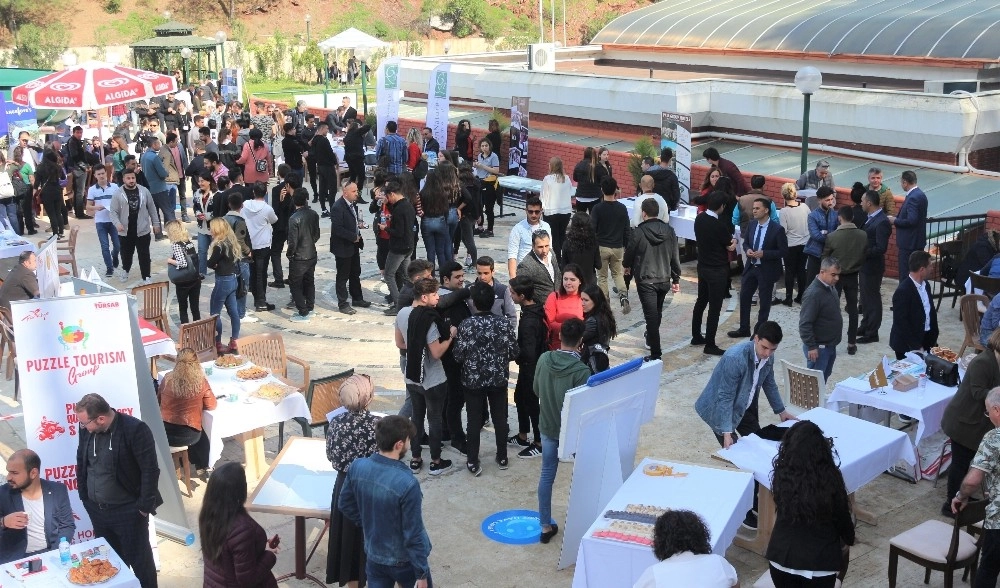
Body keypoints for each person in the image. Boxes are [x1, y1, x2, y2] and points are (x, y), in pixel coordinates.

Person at [694, 321, 795, 529]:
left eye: (772, 349)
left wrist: (781, 411)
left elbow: (769, 382)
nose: (768, 353)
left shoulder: (769, 355)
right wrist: (726, 431)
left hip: (744, 407)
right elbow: (724, 397)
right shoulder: (734, 358)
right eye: (764, 347)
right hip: (720, 411)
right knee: (742, 462)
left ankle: (758, 501)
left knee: (758, 453)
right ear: (755, 339)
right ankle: (744, 511)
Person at [75, 393, 161, 588]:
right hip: (98, 511)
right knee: (108, 566)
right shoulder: (86, 430)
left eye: (85, 423)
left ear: (101, 419)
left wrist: (143, 508)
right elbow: (82, 461)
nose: (82, 427)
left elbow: (150, 470)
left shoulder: (135, 429)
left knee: (141, 564)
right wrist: (84, 497)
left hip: (129, 512)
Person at [339, 415, 433, 588]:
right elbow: (414, 533)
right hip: (404, 561)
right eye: (408, 441)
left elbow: (344, 503)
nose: (409, 444)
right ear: (399, 445)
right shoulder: (407, 483)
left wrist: (369, 523)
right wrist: (421, 573)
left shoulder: (357, 466)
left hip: (374, 555)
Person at [767, 421, 854, 587]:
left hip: (780, 560)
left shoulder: (781, 475)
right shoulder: (830, 478)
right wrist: (849, 538)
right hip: (819, 567)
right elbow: (842, 517)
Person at [535, 319, 592, 544]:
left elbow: (536, 389)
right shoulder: (581, 371)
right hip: (573, 433)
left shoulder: (545, 359)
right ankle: (582, 523)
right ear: (580, 342)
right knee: (582, 476)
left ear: (560, 337)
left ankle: (545, 524)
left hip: (548, 426)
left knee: (547, 474)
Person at [453, 281, 518, 476]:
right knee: (500, 418)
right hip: (498, 379)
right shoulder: (503, 324)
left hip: (473, 381)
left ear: (473, 302)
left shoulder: (466, 325)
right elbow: (514, 351)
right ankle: (502, 456)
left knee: (473, 421)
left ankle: (472, 460)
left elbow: (458, 356)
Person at [395, 277, 456, 475]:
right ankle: (436, 461)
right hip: (433, 378)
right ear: (424, 297)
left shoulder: (403, 313)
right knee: (435, 419)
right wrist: (450, 337)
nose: (438, 298)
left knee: (417, 418)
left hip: (412, 377)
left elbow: (400, 344)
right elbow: (436, 352)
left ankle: (415, 458)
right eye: (435, 294)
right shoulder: (428, 320)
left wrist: (415, 347)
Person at [326, 374, 380, 588]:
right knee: (370, 538)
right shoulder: (377, 425)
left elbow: (331, 456)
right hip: (369, 488)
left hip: (344, 486)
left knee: (348, 539)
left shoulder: (336, 423)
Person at [941, 330, 1000, 519]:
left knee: (969, 462)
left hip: (978, 422)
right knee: (960, 463)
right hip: (964, 422)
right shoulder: (983, 362)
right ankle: (951, 505)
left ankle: (963, 498)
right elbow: (977, 392)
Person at [951, 386, 1000, 588]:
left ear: (997, 410)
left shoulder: (994, 438)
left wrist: (961, 496)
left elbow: (973, 480)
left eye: (988, 412)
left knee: (988, 569)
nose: (989, 417)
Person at [200, 463, 278, 588]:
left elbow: (227, 554)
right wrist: (269, 554)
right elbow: (248, 581)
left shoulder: (208, 516)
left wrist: (256, 545)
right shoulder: (242, 529)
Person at [625, 197, 682, 361]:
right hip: (664, 278)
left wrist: (626, 265)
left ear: (643, 213)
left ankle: (656, 353)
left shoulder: (638, 232)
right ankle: (651, 338)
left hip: (646, 279)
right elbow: (674, 257)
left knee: (651, 316)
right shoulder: (670, 231)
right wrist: (676, 279)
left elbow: (630, 252)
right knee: (656, 313)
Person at [0, 449, 75, 564]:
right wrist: (4, 522)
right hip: (16, 558)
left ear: (33, 473)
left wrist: (55, 553)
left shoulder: (57, 490)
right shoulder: (3, 494)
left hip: (50, 553)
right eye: (8, 472)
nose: (9, 477)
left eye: (14, 473)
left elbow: (67, 526)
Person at [728, 198, 788, 339]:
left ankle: (760, 331)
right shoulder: (752, 224)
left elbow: (783, 251)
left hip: (766, 269)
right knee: (744, 297)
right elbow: (746, 243)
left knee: (764, 301)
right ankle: (744, 328)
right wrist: (748, 250)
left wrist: (764, 254)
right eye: (753, 208)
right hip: (751, 266)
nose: (753, 211)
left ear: (766, 210)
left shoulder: (777, 229)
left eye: (757, 208)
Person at [633, 510, 738, 588]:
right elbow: (735, 584)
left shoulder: (654, 574)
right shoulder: (718, 562)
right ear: (701, 536)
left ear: (661, 542)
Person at [692, 192, 737, 355]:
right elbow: (729, 244)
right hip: (717, 270)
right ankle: (710, 344)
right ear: (722, 207)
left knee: (701, 301)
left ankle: (696, 335)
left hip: (703, 267)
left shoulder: (699, 218)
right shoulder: (719, 225)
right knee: (714, 308)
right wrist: (734, 242)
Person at [158, 348, 217, 472]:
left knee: (191, 431)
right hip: (188, 435)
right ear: (196, 363)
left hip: (164, 433)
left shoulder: (167, 378)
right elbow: (212, 405)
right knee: (201, 434)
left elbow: (159, 401)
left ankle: (191, 463)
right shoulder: (200, 382)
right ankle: (204, 467)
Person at [508, 275, 546, 459]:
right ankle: (523, 435)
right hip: (529, 366)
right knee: (519, 397)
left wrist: (513, 352)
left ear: (522, 296)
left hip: (531, 367)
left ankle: (539, 442)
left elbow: (528, 352)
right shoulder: (533, 309)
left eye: (513, 293)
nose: (510, 295)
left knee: (531, 403)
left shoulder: (530, 321)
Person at [822, 207, 866, 355]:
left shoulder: (832, 237)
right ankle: (851, 342)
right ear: (852, 217)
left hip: (836, 277)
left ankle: (831, 340)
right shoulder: (862, 235)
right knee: (853, 309)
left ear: (839, 218)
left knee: (833, 309)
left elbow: (825, 259)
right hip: (853, 275)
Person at [108, 168, 161, 285]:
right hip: (125, 230)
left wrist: (156, 224)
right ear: (123, 179)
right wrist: (117, 224)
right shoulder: (118, 194)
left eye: (133, 178)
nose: (131, 180)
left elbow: (152, 209)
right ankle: (125, 270)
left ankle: (146, 276)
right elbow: (113, 212)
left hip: (142, 229)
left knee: (144, 255)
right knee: (126, 254)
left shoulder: (144, 191)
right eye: (128, 178)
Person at [799, 257, 843, 382]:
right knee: (813, 384)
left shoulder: (830, 287)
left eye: (838, 275)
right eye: (833, 275)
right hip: (818, 349)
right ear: (822, 272)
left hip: (829, 346)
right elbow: (805, 324)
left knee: (822, 380)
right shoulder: (813, 294)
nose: (837, 279)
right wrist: (812, 346)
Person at [590, 177, 631, 312]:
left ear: (602, 190)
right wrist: (626, 246)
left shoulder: (597, 208)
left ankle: (605, 302)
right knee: (617, 274)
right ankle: (623, 296)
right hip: (618, 247)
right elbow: (627, 230)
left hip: (602, 247)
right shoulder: (622, 208)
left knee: (602, 277)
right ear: (616, 190)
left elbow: (592, 229)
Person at [331, 181, 371, 315]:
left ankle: (357, 298)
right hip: (343, 247)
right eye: (354, 191)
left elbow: (352, 221)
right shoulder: (337, 207)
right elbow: (337, 229)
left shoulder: (353, 204)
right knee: (343, 276)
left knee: (355, 273)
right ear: (345, 192)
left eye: (357, 191)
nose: (357, 194)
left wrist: (359, 227)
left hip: (353, 246)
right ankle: (343, 304)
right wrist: (353, 236)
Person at [889, 250, 939, 360]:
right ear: (922, 269)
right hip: (907, 345)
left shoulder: (927, 286)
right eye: (930, 266)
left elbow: (930, 312)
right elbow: (901, 322)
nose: (932, 268)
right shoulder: (903, 291)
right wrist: (916, 347)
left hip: (925, 340)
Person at [858, 190, 891, 344]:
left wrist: (863, 253)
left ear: (869, 203)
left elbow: (881, 248)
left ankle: (872, 332)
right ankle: (865, 325)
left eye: (863, 201)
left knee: (872, 299)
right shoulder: (871, 218)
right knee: (865, 298)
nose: (861, 203)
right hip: (866, 266)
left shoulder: (881, 221)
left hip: (873, 267)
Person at [207, 217, 243, 354]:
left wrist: (215, 265)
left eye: (211, 228)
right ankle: (234, 341)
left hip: (222, 281)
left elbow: (210, 263)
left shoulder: (219, 245)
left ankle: (218, 343)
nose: (210, 230)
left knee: (215, 314)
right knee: (234, 312)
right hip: (233, 280)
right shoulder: (231, 241)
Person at [382, 179, 417, 314]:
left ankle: (398, 305)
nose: (388, 200)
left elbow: (398, 232)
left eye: (388, 197)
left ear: (392, 194)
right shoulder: (408, 205)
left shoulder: (399, 209)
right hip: (409, 246)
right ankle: (414, 300)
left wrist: (386, 228)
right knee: (406, 276)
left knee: (389, 275)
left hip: (399, 248)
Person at [286, 188, 321, 322]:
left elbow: (292, 241)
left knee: (295, 284)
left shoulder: (294, 219)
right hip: (311, 253)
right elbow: (316, 234)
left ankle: (303, 311)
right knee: (309, 281)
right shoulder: (313, 214)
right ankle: (310, 306)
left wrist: (290, 254)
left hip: (299, 257)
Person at [243, 182, 278, 313]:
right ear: (266, 193)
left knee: (253, 272)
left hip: (249, 244)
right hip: (263, 244)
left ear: (253, 192)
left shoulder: (246, 205)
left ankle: (257, 299)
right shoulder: (267, 208)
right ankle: (261, 301)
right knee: (261, 273)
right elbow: (274, 220)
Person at [891, 170, 928, 279]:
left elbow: (912, 220)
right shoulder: (920, 194)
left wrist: (895, 221)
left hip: (909, 244)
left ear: (905, 182)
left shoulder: (913, 197)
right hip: (915, 242)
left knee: (906, 275)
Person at [86, 165, 121, 278]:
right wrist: (97, 208)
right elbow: (88, 207)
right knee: (104, 246)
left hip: (113, 220)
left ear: (107, 173)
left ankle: (114, 255)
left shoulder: (115, 187)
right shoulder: (92, 190)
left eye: (103, 173)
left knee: (118, 245)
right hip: (100, 221)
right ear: (95, 176)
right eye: (99, 174)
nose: (101, 176)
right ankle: (109, 268)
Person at [165, 220, 202, 324]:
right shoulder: (189, 243)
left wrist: (170, 260)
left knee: (183, 308)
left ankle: (186, 333)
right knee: (195, 307)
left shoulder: (176, 245)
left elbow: (182, 263)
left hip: (184, 281)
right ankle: (197, 329)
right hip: (195, 279)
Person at [777, 183, 808, 305]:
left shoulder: (784, 212)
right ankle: (800, 296)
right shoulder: (805, 207)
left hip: (790, 244)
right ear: (795, 194)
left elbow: (783, 230)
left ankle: (788, 297)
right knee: (801, 270)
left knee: (789, 271)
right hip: (804, 243)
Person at [507, 197, 552, 279]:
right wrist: (513, 279)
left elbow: (550, 250)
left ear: (541, 211)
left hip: (543, 272)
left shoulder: (546, 226)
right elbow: (512, 256)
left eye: (537, 212)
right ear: (526, 211)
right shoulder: (517, 229)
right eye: (531, 212)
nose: (534, 215)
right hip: (524, 272)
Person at [544, 263, 585, 350]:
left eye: (572, 279)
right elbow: (549, 323)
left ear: (580, 281)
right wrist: (571, 328)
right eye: (565, 279)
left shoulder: (585, 298)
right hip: (557, 346)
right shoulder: (554, 296)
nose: (568, 283)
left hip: (579, 345)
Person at [540, 157, 573, 265]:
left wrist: (542, 209)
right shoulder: (567, 178)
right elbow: (570, 192)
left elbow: (543, 196)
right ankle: (565, 258)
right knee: (562, 235)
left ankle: (558, 261)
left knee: (554, 237)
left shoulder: (548, 179)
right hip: (565, 211)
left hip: (551, 212)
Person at [803, 187, 838, 285]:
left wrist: (825, 233)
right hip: (816, 254)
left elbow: (837, 232)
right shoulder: (812, 216)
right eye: (827, 200)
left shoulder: (835, 214)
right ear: (819, 200)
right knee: (811, 283)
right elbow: (816, 235)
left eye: (831, 199)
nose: (830, 202)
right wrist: (831, 236)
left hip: (830, 254)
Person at [580, 283, 617, 373]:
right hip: (601, 360)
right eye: (581, 299)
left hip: (591, 364)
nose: (582, 303)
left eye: (586, 300)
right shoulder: (605, 315)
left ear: (595, 301)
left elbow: (578, 339)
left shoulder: (592, 320)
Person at [518, 230, 559, 309]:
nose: (544, 250)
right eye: (540, 247)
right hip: (540, 310)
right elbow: (521, 292)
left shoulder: (551, 253)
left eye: (547, 246)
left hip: (558, 305)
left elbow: (557, 277)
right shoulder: (526, 265)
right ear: (533, 246)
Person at [192, 171, 220, 277]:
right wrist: (198, 213)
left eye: (202, 181)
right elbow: (195, 206)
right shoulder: (197, 193)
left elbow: (218, 210)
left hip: (213, 228)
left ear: (209, 181)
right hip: (201, 227)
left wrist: (208, 216)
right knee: (202, 250)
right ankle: (202, 272)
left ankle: (218, 270)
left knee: (215, 251)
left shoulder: (216, 194)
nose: (200, 183)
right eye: (199, 181)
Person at [33, 151, 65, 237]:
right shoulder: (58, 167)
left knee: (51, 214)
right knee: (58, 212)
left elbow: (37, 183)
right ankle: (61, 232)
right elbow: (63, 178)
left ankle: (55, 233)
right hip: (58, 191)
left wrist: (34, 194)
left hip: (47, 192)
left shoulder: (40, 168)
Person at [474, 139, 501, 237]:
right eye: (482, 146)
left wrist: (483, 166)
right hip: (480, 182)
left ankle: (490, 230)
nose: (484, 148)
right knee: (479, 206)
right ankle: (480, 227)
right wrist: (476, 166)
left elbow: (496, 170)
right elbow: (479, 169)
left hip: (490, 183)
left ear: (489, 146)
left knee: (489, 208)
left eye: (486, 145)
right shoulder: (480, 156)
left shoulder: (494, 156)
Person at [572, 147, 604, 214]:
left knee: (580, 220)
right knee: (594, 220)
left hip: (580, 197)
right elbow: (602, 180)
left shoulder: (579, 165)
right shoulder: (597, 166)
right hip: (594, 197)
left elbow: (575, 178)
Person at [343, 120, 371, 193]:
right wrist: (361, 127)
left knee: (353, 176)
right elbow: (368, 126)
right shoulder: (356, 133)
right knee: (361, 176)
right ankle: (358, 194)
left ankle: (350, 192)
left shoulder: (348, 134)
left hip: (349, 158)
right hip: (357, 158)